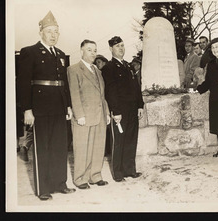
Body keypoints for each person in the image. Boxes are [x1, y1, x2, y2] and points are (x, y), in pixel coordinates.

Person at [17, 11, 75, 200]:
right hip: (40, 108)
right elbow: (24, 83)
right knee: (42, 148)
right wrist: (27, 109)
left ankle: (60, 183)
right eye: (49, 31)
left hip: (59, 107)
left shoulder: (60, 54)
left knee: (59, 147)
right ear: (41, 32)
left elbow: (63, 83)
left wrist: (67, 106)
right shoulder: (29, 52)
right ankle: (43, 188)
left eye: (56, 31)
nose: (53, 35)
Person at [67, 40, 110, 189]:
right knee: (82, 147)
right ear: (81, 51)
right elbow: (74, 93)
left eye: (95, 50)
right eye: (89, 50)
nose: (93, 53)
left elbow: (102, 95)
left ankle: (95, 175)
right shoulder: (73, 69)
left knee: (98, 146)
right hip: (84, 116)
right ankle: (80, 178)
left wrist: (107, 113)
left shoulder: (98, 71)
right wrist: (79, 115)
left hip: (100, 115)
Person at [102, 36, 144, 182]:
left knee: (131, 140)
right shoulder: (109, 68)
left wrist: (140, 105)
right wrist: (116, 111)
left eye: (122, 46)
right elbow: (110, 91)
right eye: (117, 46)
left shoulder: (128, 66)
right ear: (110, 49)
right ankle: (118, 173)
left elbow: (136, 87)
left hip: (132, 109)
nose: (121, 48)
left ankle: (130, 170)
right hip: (120, 110)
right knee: (118, 141)